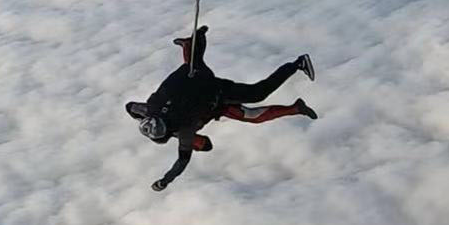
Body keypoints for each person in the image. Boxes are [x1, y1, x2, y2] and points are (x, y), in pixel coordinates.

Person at [125, 25, 316, 191]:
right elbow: (130, 107)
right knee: (195, 65)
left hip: (214, 92)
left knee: (257, 96)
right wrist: (139, 117)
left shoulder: (185, 131)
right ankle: (191, 43)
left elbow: (182, 162)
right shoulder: (148, 109)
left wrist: (165, 181)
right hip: (191, 78)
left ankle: (297, 65)